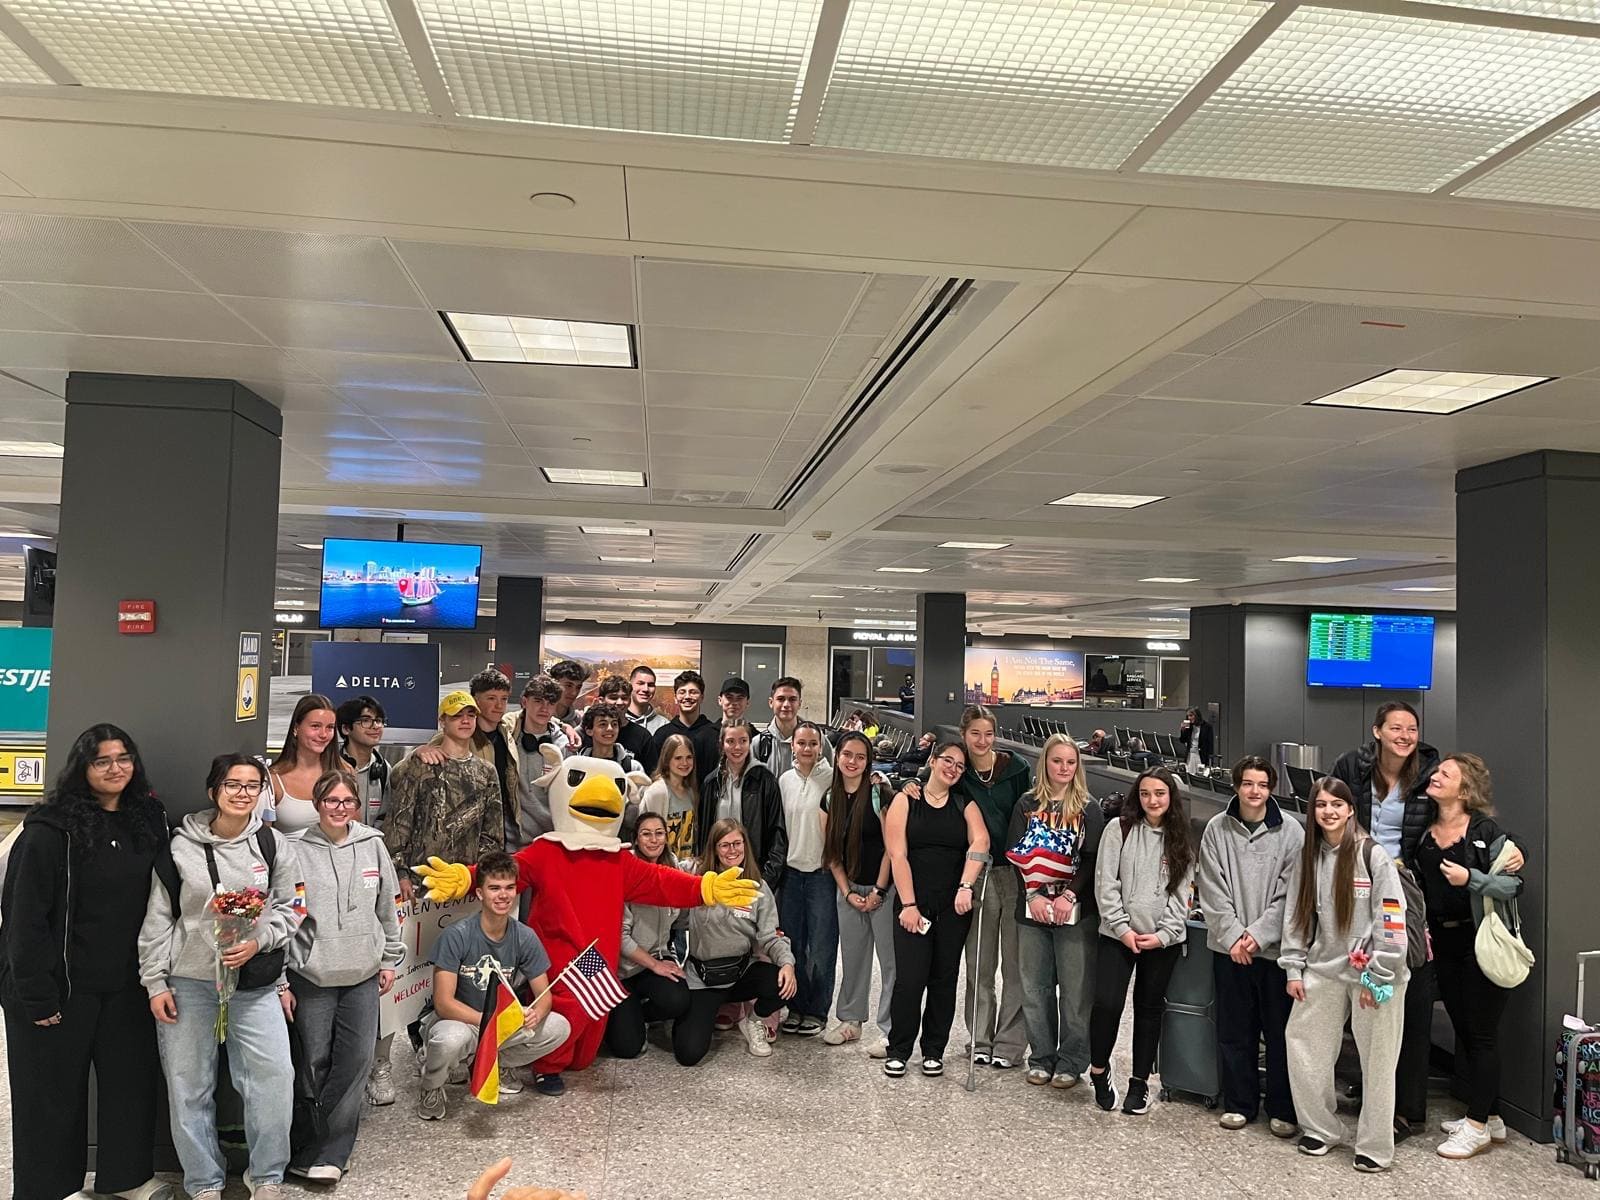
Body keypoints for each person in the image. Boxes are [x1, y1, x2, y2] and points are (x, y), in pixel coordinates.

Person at [1, 725, 170, 1200]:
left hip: (126, 984)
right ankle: (47, 1190)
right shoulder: (49, 830)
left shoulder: (147, 819)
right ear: (83, 767)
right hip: (57, 987)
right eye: (102, 761)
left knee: (129, 1085)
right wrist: (36, 994)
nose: (116, 768)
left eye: (124, 758)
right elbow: (23, 918)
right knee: (49, 1095)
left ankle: (127, 1178)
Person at [139, 753, 304, 1200]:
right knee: (188, 1087)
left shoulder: (272, 845)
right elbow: (158, 920)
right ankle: (204, 1181)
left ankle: (266, 1175)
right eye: (233, 784)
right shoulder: (179, 848)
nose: (242, 793)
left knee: (274, 1079)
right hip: (189, 984)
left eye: (252, 786)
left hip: (253, 986)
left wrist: (260, 940)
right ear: (214, 790)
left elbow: (293, 907)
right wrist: (155, 982)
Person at [1281, 777, 1410, 1172]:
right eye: (1321, 805)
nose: (1329, 812)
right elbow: (1297, 917)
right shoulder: (1308, 857)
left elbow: (1392, 919)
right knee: (1303, 1044)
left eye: (1337, 804)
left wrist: (1379, 975)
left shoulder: (1374, 855)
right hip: (1325, 967)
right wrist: (1293, 966)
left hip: (1376, 974)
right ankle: (1320, 1128)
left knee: (1378, 1061)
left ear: (1351, 809)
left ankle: (1375, 1146)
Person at [284, 769, 403, 1182]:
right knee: (314, 1061)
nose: (340, 808)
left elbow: (388, 907)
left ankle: (333, 1151)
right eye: (331, 801)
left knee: (356, 1060)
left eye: (348, 801)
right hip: (311, 975)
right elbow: (285, 916)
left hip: (362, 973)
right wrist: (282, 978)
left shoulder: (373, 845)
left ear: (358, 805)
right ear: (317, 804)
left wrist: (389, 960)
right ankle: (313, 1145)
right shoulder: (294, 850)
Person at [1329, 701, 1438, 1141]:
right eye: (1396, 728)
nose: (1405, 736)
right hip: (1356, 880)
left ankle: (1405, 1109)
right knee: (1357, 985)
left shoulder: (1429, 772)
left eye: (1412, 728)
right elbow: (1332, 811)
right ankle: (1368, 1085)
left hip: (1406, 887)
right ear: (1377, 731)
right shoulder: (1352, 766)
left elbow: (1465, 810)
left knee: (1402, 989)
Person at [1416, 754, 1526, 1160]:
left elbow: (1513, 885)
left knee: (1481, 1036)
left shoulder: (1485, 831)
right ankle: (1491, 1117)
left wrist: (1471, 879)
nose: (1435, 776)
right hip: (1443, 945)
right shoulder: (1424, 832)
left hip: (1480, 943)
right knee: (1464, 1031)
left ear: (1464, 790)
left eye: (1445, 773)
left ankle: (1476, 1126)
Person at [417, 851, 573, 1120]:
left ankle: (491, 1063)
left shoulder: (524, 936)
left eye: (509, 888)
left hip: (499, 1022)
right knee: (449, 1040)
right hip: (460, 1020)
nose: (503, 895)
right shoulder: (457, 935)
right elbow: (443, 1004)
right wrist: (488, 1021)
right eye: (494, 888)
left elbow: (544, 996)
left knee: (559, 1026)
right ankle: (431, 1085)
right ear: (479, 893)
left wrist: (535, 1014)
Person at [1198, 755, 1303, 1137]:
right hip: (1229, 951)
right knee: (1234, 1030)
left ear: (1271, 789)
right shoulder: (1216, 829)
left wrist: (1258, 935)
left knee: (1279, 1033)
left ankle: (1282, 1108)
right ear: (1236, 786)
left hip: (1274, 952)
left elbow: (1291, 894)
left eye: (1261, 784)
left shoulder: (1292, 832)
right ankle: (1240, 1103)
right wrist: (1233, 937)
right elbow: (1211, 888)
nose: (1254, 791)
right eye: (1247, 783)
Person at [1087, 766, 1196, 1116]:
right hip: (1117, 935)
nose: (1153, 800)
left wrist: (1163, 935)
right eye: (1146, 793)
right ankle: (1099, 1070)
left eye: (1160, 794)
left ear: (1171, 798)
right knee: (1107, 1004)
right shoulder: (1118, 829)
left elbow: (1182, 894)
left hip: (1160, 941)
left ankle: (1139, 1083)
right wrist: (1122, 929)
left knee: (1149, 1009)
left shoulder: (1180, 837)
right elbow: (1106, 884)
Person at [881, 739, 989, 1078]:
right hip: (913, 905)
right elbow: (897, 854)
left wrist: (966, 885)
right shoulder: (905, 800)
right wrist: (909, 904)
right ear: (933, 760)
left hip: (952, 908)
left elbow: (981, 841)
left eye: (960, 765)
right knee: (910, 980)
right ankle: (899, 1049)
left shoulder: (964, 804)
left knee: (944, 979)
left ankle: (933, 1050)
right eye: (947, 760)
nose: (952, 769)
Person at [1008, 734, 1104, 1090]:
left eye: (1070, 762)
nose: (1064, 768)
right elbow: (1015, 853)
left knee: (1076, 993)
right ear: (1045, 763)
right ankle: (1041, 1057)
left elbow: (1092, 859)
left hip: (1074, 913)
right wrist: (1033, 895)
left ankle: (1072, 1061)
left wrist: (1069, 896)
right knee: (1036, 989)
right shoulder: (1026, 803)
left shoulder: (1089, 808)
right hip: (1032, 911)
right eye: (1057, 761)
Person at [675, 819, 797, 1065]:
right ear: (714, 848)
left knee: (784, 982)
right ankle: (696, 1016)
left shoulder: (758, 886)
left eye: (737, 843)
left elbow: (770, 936)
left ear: (745, 846)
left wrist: (787, 963)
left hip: (741, 973)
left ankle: (754, 1021)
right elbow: (676, 916)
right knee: (689, 1054)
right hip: (703, 980)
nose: (732, 850)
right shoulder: (698, 880)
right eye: (724, 845)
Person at [952, 705, 1030, 1069]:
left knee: (1015, 966)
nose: (982, 741)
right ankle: (980, 1038)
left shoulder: (1016, 769)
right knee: (979, 963)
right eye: (975, 734)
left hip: (1014, 873)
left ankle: (1010, 1044)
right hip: (979, 873)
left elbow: (1030, 813)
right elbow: (929, 783)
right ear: (964, 735)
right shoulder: (959, 771)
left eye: (988, 734)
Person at [384, 691, 504, 899]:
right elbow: (398, 824)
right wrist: (400, 874)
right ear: (442, 721)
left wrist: (477, 875)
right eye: (457, 715)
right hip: (419, 883)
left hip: (465, 884)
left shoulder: (487, 771)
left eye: (471, 715)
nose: (465, 721)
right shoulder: (421, 765)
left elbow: (492, 833)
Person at [821, 731, 897, 1056]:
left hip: (885, 890)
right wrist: (847, 892)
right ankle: (850, 1021)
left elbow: (892, 848)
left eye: (860, 757)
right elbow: (832, 854)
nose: (852, 762)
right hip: (849, 889)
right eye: (847, 755)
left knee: (891, 962)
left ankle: (890, 1030)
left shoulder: (880, 793)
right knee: (853, 958)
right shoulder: (829, 799)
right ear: (837, 757)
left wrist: (879, 889)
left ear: (869, 762)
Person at [603, 813, 692, 1059]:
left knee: (678, 999)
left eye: (659, 833)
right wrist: (655, 965)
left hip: (655, 959)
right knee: (626, 1048)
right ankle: (627, 1016)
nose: (653, 840)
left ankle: (643, 1015)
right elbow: (620, 937)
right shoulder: (626, 870)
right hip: (622, 969)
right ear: (636, 838)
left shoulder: (673, 867)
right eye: (646, 834)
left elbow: (682, 918)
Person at [777, 721, 836, 1037]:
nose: (807, 749)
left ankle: (817, 1010)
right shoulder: (785, 780)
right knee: (793, 944)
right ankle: (796, 1007)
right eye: (801, 743)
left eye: (813, 743)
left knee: (821, 947)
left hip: (821, 875)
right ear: (792, 746)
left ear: (820, 746)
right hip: (791, 874)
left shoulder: (832, 778)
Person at [696, 721, 788, 888]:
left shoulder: (765, 780)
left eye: (743, 741)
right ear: (722, 744)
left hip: (754, 874)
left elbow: (777, 833)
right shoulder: (711, 782)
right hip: (716, 875)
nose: (737, 747)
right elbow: (703, 834)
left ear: (750, 743)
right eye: (730, 741)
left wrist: (767, 879)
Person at [265, 693, 340, 837]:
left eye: (330, 727)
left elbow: (355, 829)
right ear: (296, 728)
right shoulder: (273, 779)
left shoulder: (344, 771)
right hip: (289, 851)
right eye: (315, 726)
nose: (323, 734)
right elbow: (264, 838)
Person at [752, 676, 832, 777]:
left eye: (792, 699)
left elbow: (831, 778)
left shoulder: (818, 739)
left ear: (799, 703)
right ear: (771, 703)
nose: (786, 704)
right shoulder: (759, 744)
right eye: (781, 699)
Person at [648, 670, 720, 781]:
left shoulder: (714, 733)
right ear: (675, 698)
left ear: (702, 697)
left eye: (693, 692)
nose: (687, 696)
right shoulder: (662, 734)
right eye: (682, 692)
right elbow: (656, 773)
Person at [640, 732, 699, 862]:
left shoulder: (691, 792)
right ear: (667, 760)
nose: (684, 763)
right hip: (661, 864)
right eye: (678, 758)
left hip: (685, 866)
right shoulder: (657, 792)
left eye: (689, 757)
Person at [336, 695, 389, 827]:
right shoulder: (331, 766)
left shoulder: (383, 768)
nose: (375, 726)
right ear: (346, 728)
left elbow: (384, 817)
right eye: (366, 721)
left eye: (378, 720)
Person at [595, 675, 652, 763]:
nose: (620, 702)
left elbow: (651, 770)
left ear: (630, 701)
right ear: (601, 700)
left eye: (624, 698)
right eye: (613, 698)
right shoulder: (590, 732)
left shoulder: (642, 736)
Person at [579, 701, 643, 776]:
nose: (610, 728)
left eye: (614, 724)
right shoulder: (577, 765)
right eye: (603, 724)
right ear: (589, 731)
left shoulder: (633, 768)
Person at [625, 665, 668, 738]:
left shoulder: (664, 725)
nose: (646, 689)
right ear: (629, 685)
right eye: (640, 683)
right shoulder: (616, 722)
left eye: (650, 685)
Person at [1178, 708, 1214, 772]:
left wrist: (1209, 762)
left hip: (1201, 755)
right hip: (1191, 755)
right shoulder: (1189, 726)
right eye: (1188, 716)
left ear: (1197, 716)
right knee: (1190, 773)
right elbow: (1183, 740)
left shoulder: (1207, 727)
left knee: (1200, 774)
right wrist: (1183, 730)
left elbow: (1210, 745)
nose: (1189, 718)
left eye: (1191, 715)